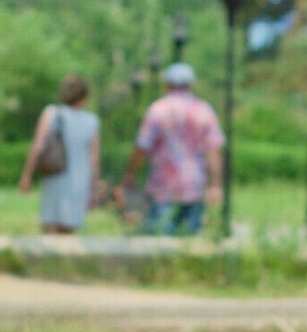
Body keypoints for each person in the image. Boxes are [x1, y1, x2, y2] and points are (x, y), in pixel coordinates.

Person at [116, 62, 225, 236]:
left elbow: (141, 147)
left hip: (163, 187)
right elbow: (214, 150)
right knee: (190, 243)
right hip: (195, 186)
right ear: (191, 84)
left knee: (159, 240)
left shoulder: (158, 110)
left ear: (167, 84)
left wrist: (130, 174)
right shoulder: (204, 110)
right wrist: (215, 185)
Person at [18, 74, 101, 234]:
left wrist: (27, 175)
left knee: (50, 224)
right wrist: (94, 188)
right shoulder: (92, 121)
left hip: (55, 175)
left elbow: (38, 146)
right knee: (68, 229)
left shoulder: (51, 113)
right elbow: (94, 158)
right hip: (80, 179)